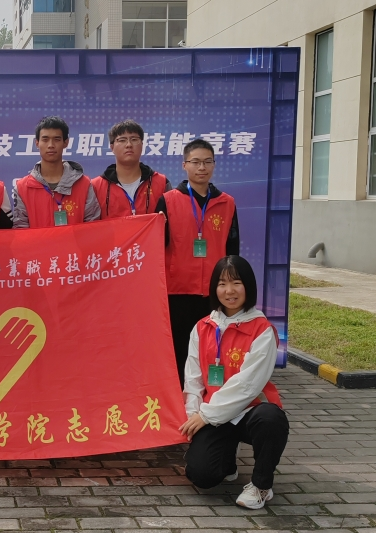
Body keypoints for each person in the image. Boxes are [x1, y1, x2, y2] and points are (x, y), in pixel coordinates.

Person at [180, 255, 288, 510]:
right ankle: (227, 462)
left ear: (248, 286)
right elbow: (193, 378)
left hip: (249, 413)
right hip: (214, 415)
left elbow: (248, 384)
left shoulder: (262, 330)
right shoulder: (202, 327)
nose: (229, 291)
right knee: (202, 476)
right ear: (214, 289)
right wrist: (193, 415)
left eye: (236, 283)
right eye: (222, 284)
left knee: (272, 419)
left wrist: (206, 415)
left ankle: (261, 485)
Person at [155, 138, 239, 385]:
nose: (201, 167)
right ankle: (180, 395)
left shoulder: (226, 202)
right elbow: (157, 246)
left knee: (212, 346)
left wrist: (231, 285)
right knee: (180, 347)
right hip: (178, 290)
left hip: (215, 290)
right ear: (185, 165)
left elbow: (232, 247)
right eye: (195, 162)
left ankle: (210, 395)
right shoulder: (168, 200)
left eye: (207, 162)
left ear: (214, 165)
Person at [14, 116, 100, 227]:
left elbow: (93, 228)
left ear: (66, 143)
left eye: (57, 139)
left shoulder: (84, 185)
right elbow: (20, 230)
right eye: (45, 140)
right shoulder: (22, 188)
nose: (51, 145)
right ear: (37, 143)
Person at [92, 119, 170, 218]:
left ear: (142, 145)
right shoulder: (96, 187)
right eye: (122, 140)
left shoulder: (161, 183)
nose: (129, 145)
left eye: (134, 139)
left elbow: (171, 219)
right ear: (112, 147)